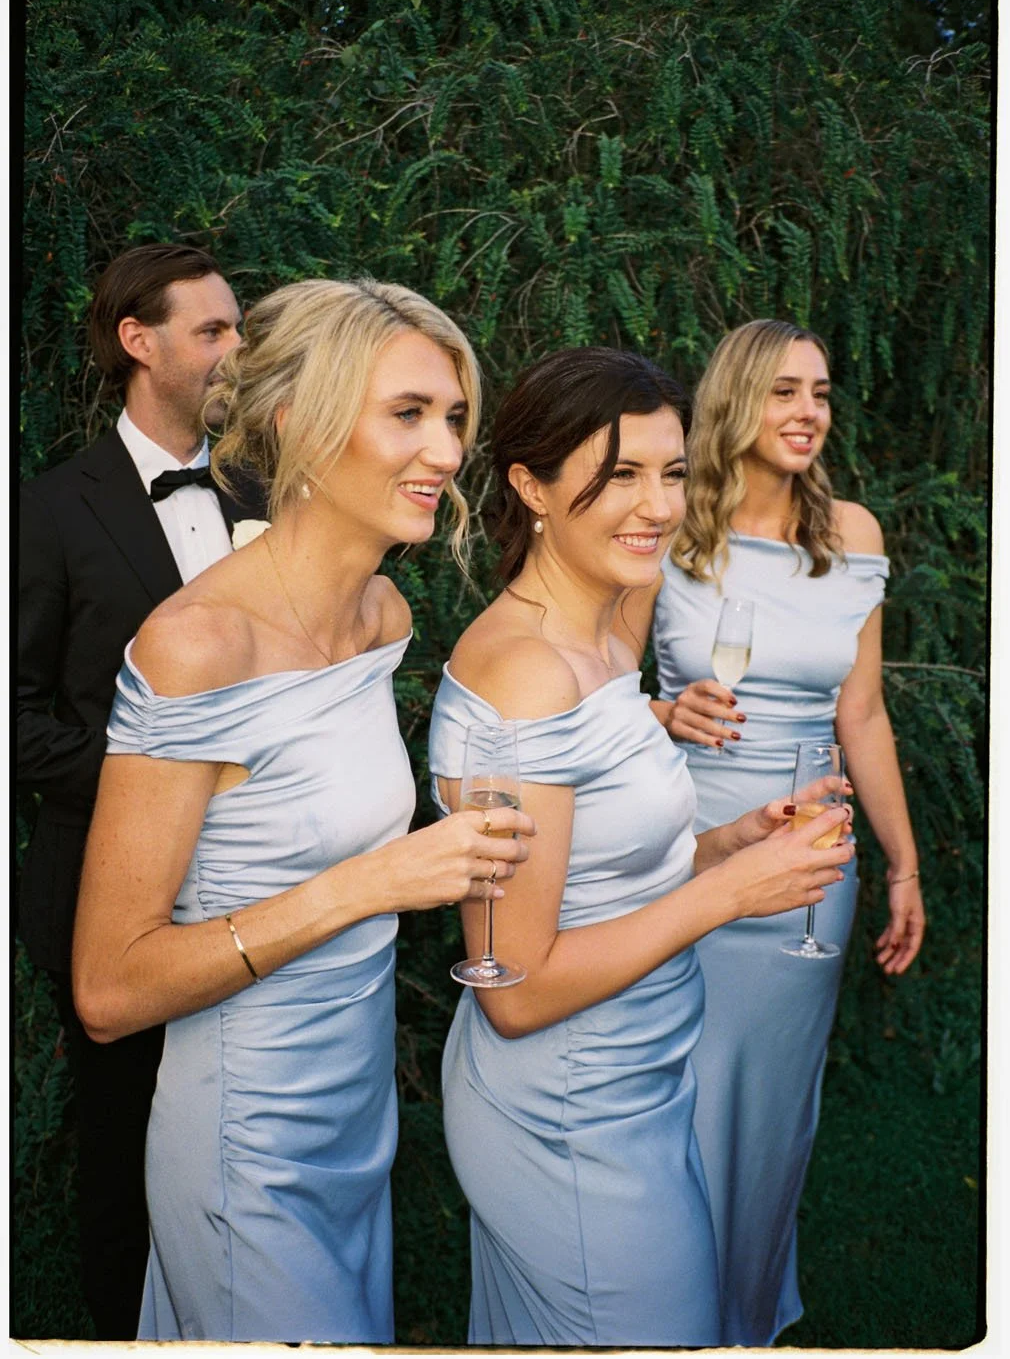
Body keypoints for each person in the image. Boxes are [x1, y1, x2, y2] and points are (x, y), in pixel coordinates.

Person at [71, 277, 533, 1344]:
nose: (444, 450)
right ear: (298, 422)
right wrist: (372, 883)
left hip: (354, 1109)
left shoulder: (380, 613)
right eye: (407, 413)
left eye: (454, 416)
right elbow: (106, 989)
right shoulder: (198, 649)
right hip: (245, 1132)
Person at [427, 346, 855, 1347]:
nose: (657, 505)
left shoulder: (601, 640)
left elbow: (602, 869)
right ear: (530, 485)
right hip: (567, 1106)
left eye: (668, 472)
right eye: (618, 474)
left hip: (643, 1080)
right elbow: (515, 989)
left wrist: (719, 846)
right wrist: (728, 895)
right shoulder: (525, 672)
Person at [620, 318, 926, 1346]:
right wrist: (661, 712)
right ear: (736, 401)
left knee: (767, 1111)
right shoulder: (664, 529)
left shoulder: (853, 538)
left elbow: (862, 715)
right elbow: (594, 691)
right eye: (784, 391)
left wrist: (900, 862)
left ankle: (738, 1316)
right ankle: (655, 1307)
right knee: (672, 1088)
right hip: (680, 841)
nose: (807, 413)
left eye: (821, 394)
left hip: (806, 863)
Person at [17, 242, 263, 1339]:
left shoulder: (260, 493)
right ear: (137, 341)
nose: (233, 349)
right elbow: (17, 720)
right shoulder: (48, 508)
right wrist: (160, 781)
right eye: (211, 330)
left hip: (257, 869)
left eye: (236, 328)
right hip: (106, 879)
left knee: (238, 1118)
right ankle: (123, 1327)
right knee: (123, 1133)